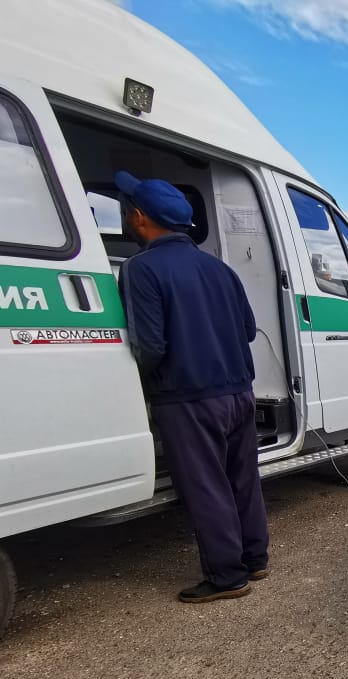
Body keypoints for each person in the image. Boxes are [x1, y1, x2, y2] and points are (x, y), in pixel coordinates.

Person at [115, 171, 269, 603]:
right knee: (242, 479)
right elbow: (249, 330)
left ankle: (226, 576)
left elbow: (150, 346)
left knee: (206, 487)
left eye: (129, 212)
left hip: (187, 398)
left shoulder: (140, 270)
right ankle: (255, 559)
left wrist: (143, 381)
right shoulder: (221, 269)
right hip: (239, 392)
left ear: (140, 218)